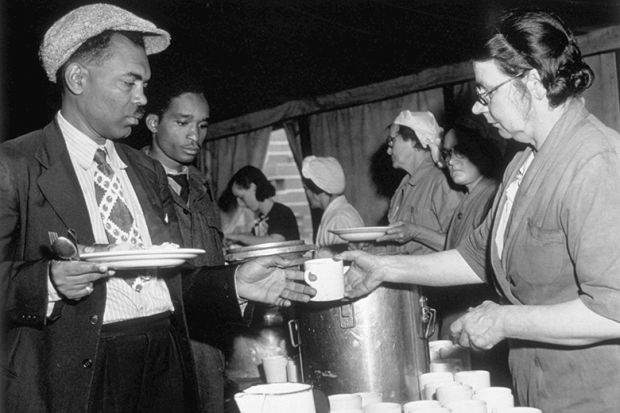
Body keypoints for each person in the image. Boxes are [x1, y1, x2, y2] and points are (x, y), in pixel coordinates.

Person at [0, 4, 314, 412]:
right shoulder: (15, 165)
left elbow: (168, 281)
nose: (143, 98)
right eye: (130, 83)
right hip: (81, 377)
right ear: (78, 78)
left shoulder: (145, 169)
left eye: (145, 84)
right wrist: (48, 282)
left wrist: (234, 284)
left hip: (164, 362)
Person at [340, 9, 620, 413]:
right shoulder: (522, 161)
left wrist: (505, 320)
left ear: (533, 83)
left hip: (591, 397)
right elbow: (476, 259)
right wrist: (387, 269)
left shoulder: (596, 161)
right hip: (535, 389)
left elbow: (612, 313)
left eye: (486, 93)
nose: (477, 108)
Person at [142, 73, 227, 412]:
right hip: (160, 345)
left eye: (203, 125)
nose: (195, 137)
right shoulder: (132, 182)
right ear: (152, 122)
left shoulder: (200, 187)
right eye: (182, 122)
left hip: (208, 343)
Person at [376, 110, 463, 254]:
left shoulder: (442, 182)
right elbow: (399, 245)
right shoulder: (402, 188)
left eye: (392, 141)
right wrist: (369, 247)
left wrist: (416, 232)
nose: (388, 151)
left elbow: (463, 246)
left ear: (414, 139)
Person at [301, 155, 364, 256]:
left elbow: (338, 263)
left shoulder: (339, 219)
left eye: (306, 188)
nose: (306, 193)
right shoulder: (336, 213)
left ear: (316, 190)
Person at [226, 165, 300, 245]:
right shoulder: (261, 217)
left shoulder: (281, 212)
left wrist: (239, 237)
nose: (240, 203)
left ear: (253, 187)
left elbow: (275, 241)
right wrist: (236, 240)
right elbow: (255, 239)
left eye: (242, 198)